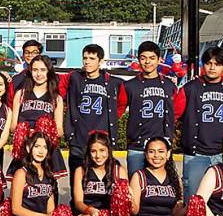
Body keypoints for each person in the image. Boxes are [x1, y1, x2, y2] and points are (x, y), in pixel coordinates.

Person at [174, 46, 223, 192]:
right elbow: (174, 114)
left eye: (217, 64)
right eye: (208, 63)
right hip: (196, 153)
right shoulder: (189, 88)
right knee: (193, 197)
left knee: (222, 198)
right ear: (203, 64)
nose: (212, 67)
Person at [117, 41, 177, 176]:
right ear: (138, 60)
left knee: (162, 187)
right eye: (143, 58)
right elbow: (117, 112)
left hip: (161, 146)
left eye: (152, 58)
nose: (147, 62)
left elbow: (176, 113)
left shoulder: (169, 85)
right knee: (135, 185)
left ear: (159, 60)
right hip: (137, 146)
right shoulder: (129, 86)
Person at [63, 44, 123, 178]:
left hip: (101, 141)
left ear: (101, 61)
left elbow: (122, 103)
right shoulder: (74, 78)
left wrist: (112, 117)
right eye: (85, 58)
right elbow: (51, 81)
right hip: (78, 140)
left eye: (92, 58)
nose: (87, 61)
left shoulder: (112, 82)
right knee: (77, 182)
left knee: (100, 182)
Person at [10, 55, 66, 179]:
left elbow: (60, 131)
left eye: (43, 70)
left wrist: (45, 129)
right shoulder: (21, 93)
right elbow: (13, 126)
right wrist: (23, 130)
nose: (39, 74)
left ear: (49, 72)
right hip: (25, 147)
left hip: (45, 150)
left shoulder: (56, 98)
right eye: (35, 70)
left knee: (46, 188)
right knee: (22, 188)